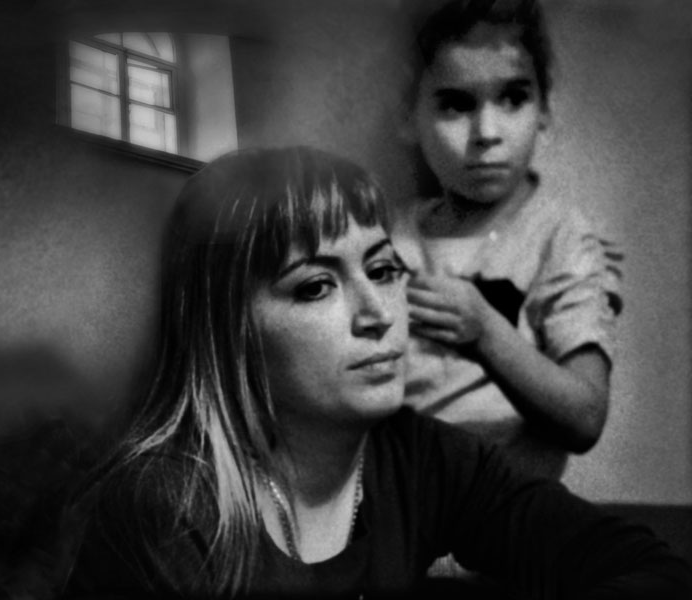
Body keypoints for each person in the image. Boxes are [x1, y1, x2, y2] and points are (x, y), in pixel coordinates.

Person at [60, 146, 689, 599]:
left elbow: (648, 567)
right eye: (315, 286)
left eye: (384, 270)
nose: (378, 314)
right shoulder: (165, 505)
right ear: (227, 330)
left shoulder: (421, 458)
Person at [394, 0, 623, 480]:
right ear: (408, 116)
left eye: (513, 98)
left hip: (510, 512)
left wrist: (484, 332)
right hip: (400, 503)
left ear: (545, 109)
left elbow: (585, 417)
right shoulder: (391, 236)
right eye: (456, 104)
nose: (487, 133)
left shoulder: (561, 238)